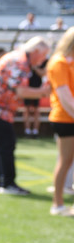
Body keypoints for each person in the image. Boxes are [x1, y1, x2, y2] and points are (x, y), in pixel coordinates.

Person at [0, 36, 50, 195]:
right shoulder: (19, 61)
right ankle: (7, 183)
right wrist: (43, 92)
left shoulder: (19, 58)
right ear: (36, 51)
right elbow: (20, 90)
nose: (44, 59)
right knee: (7, 143)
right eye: (44, 55)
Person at [46, 27, 74, 216]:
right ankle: (57, 204)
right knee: (65, 162)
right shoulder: (59, 63)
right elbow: (65, 97)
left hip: (68, 116)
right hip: (65, 118)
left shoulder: (67, 62)